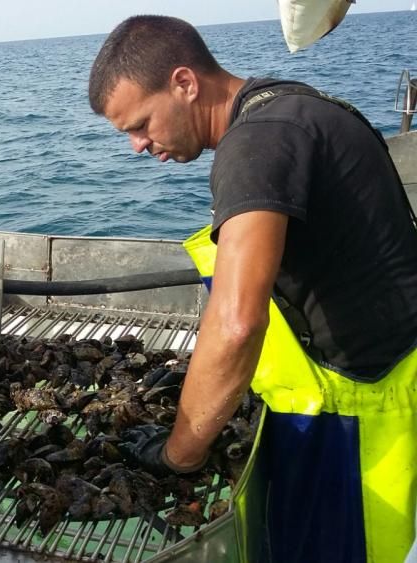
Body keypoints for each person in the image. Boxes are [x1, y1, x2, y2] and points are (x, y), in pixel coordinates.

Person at [88, 15, 417, 563]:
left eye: (140, 124)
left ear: (185, 83)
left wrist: (180, 454)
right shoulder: (298, 106)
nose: (137, 147)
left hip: (370, 421)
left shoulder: (255, 146)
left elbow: (238, 323)